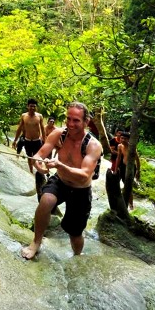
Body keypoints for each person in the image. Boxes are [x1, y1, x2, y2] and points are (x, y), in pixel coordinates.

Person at [21, 102, 102, 260]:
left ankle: (77, 256)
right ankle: (36, 242)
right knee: (46, 201)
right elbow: (40, 154)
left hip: (81, 189)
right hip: (61, 181)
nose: (71, 124)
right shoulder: (59, 134)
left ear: (86, 122)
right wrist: (38, 163)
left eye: (76, 120)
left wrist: (59, 165)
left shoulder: (93, 145)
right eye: (68, 119)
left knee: (75, 232)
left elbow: (85, 175)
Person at [12, 99, 45, 174]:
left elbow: (43, 129)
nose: (32, 108)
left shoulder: (39, 116)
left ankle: (39, 172)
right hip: (27, 140)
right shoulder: (24, 116)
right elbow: (19, 128)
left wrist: (45, 141)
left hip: (37, 140)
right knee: (29, 157)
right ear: (28, 106)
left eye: (34, 106)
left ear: (36, 107)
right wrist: (15, 140)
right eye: (31, 106)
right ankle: (31, 172)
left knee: (39, 157)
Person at [116, 132, 140, 209]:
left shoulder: (132, 147)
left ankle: (131, 205)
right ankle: (120, 202)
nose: (122, 140)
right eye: (122, 138)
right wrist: (116, 168)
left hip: (131, 167)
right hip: (122, 166)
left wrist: (138, 171)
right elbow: (119, 157)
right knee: (118, 183)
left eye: (125, 138)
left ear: (128, 139)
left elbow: (137, 160)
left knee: (128, 186)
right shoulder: (120, 146)